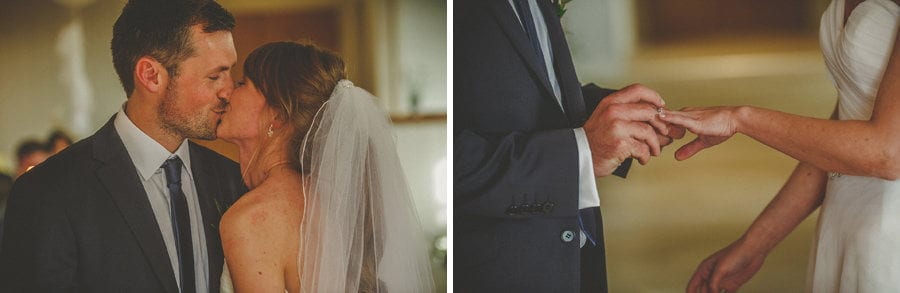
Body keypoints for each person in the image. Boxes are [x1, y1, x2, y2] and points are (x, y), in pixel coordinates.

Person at [0, 0, 246, 291]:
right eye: (215, 76)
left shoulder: (234, 181)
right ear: (151, 75)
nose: (229, 91)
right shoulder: (48, 192)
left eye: (230, 72)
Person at [658, 0, 900, 292]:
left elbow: (887, 153)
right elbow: (837, 136)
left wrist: (741, 118)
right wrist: (754, 244)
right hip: (843, 224)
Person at [454, 0, 684, 291]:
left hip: (575, 257)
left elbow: (539, 90)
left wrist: (621, 116)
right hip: (501, 269)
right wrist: (580, 152)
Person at [216, 41, 434, 292]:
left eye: (242, 83)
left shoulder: (252, 220)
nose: (227, 92)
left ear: (277, 115)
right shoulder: (334, 201)